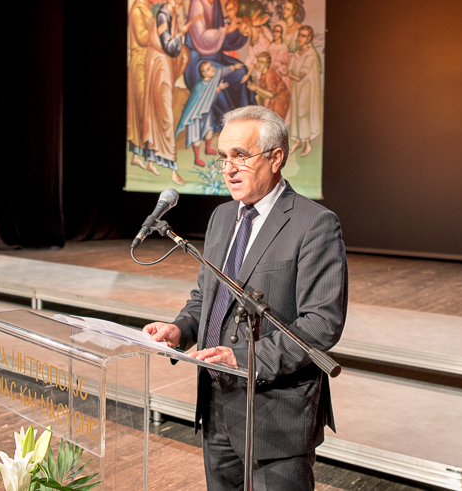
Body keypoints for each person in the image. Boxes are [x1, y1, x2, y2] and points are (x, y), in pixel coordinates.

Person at [143, 105, 347, 491]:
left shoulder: (314, 224)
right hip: (217, 405)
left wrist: (244, 358)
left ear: (276, 158)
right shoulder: (222, 217)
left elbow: (322, 323)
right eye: (223, 157)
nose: (228, 168)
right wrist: (181, 329)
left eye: (240, 155)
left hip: (275, 411)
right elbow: (207, 295)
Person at [184, 0, 255, 136]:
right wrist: (225, 31)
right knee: (217, 77)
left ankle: (246, 119)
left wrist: (242, 31)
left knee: (241, 71)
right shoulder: (198, 0)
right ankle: (227, 124)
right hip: (199, 60)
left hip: (214, 55)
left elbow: (221, 41)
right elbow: (200, 36)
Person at [143, 0, 196, 185]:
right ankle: (172, 168)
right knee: (163, 115)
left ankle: (152, 159)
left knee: (160, 114)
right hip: (159, 67)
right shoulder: (163, 14)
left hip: (164, 66)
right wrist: (182, 32)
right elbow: (169, 46)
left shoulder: (173, 13)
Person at [176, 61, 242, 166]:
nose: (212, 68)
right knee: (196, 137)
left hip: (206, 113)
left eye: (211, 66)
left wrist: (233, 66)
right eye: (208, 69)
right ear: (204, 74)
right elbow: (205, 98)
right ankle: (197, 158)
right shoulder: (200, 86)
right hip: (196, 115)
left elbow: (221, 71)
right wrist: (218, 88)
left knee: (209, 130)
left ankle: (208, 149)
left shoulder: (213, 78)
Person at [127, 0, 156, 172]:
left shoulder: (149, 6)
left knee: (148, 108)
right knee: (140, 108)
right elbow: (143, 37)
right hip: (139, 61)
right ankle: (137, 154)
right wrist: (158, 26)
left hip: (149, 61)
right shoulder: (137, 9)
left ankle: (145, 154)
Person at [287, 26, 322, 158]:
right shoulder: (297, 54)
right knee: (296, 113)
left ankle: (307, 143)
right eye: (299, 35)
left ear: (309, 39)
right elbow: (291, 70)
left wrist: (287, 74)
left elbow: (300, 77)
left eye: (304, 36)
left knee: (303, 113)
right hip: (297, 89)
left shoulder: (311, 55)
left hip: (306, 90)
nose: (300, 38)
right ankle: (299, 141)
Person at [247, 52, 290, 120]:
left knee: (275, 121)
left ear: (267, 64)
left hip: (281, 99)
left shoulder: (269, 74)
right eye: (258, 61)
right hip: (275, 99)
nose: (259, 65)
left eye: (262, 62)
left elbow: (271, 95)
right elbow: (265, 95)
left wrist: (256, 88)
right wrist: (255, 89)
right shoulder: (263, 74)